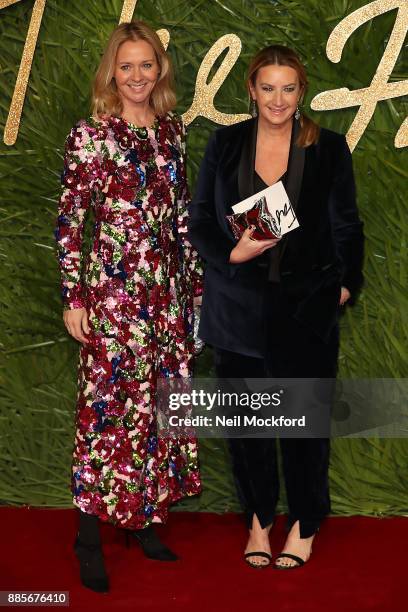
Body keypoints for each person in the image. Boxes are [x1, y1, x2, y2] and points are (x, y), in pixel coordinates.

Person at [188, 44, 364, 570]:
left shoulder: (328, 148)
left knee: (304, 429)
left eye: (288, 88)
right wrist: (232, 251)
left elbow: (347, 226)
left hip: (306, 311)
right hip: (236, 311)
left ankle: (306, 523)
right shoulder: (224, 144)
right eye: (268, 88)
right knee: (249, 432)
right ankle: (259, 522)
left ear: (301, 91)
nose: (278, 99)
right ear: (251, 90)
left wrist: (345, 286)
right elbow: (199, 223)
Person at [54, 20, 202, 592]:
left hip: (163, 300)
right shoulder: (91, 135)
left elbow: (182, 218)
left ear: (158, 69)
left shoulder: (172, 131)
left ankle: (143, 520)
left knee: (158, 413)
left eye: (147, 65)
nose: (137, 75)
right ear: (111, 72)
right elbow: (71, 222)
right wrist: (74, 297)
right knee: (105, 419)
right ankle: (88, 538)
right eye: (126, 66)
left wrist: (194, 294)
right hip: (114, 299)